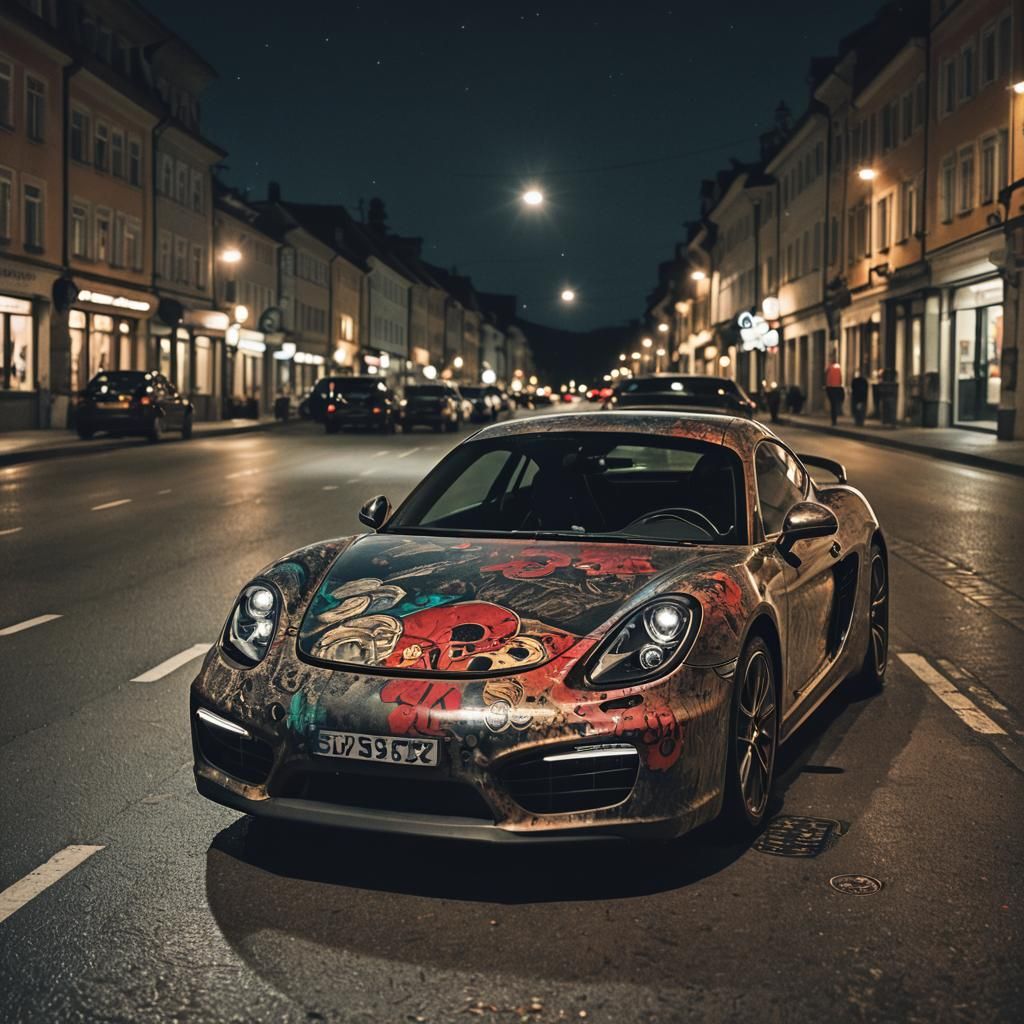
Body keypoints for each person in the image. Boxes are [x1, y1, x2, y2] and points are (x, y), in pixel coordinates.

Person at [825, 356, 844, 425]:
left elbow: (827, 377)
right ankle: (835, 418)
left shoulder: (830, 368)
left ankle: (834, 420)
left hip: (831, 387)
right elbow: (840, 378)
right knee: (835, 404)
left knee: (833, 405)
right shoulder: (838, 367)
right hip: (837, 387)